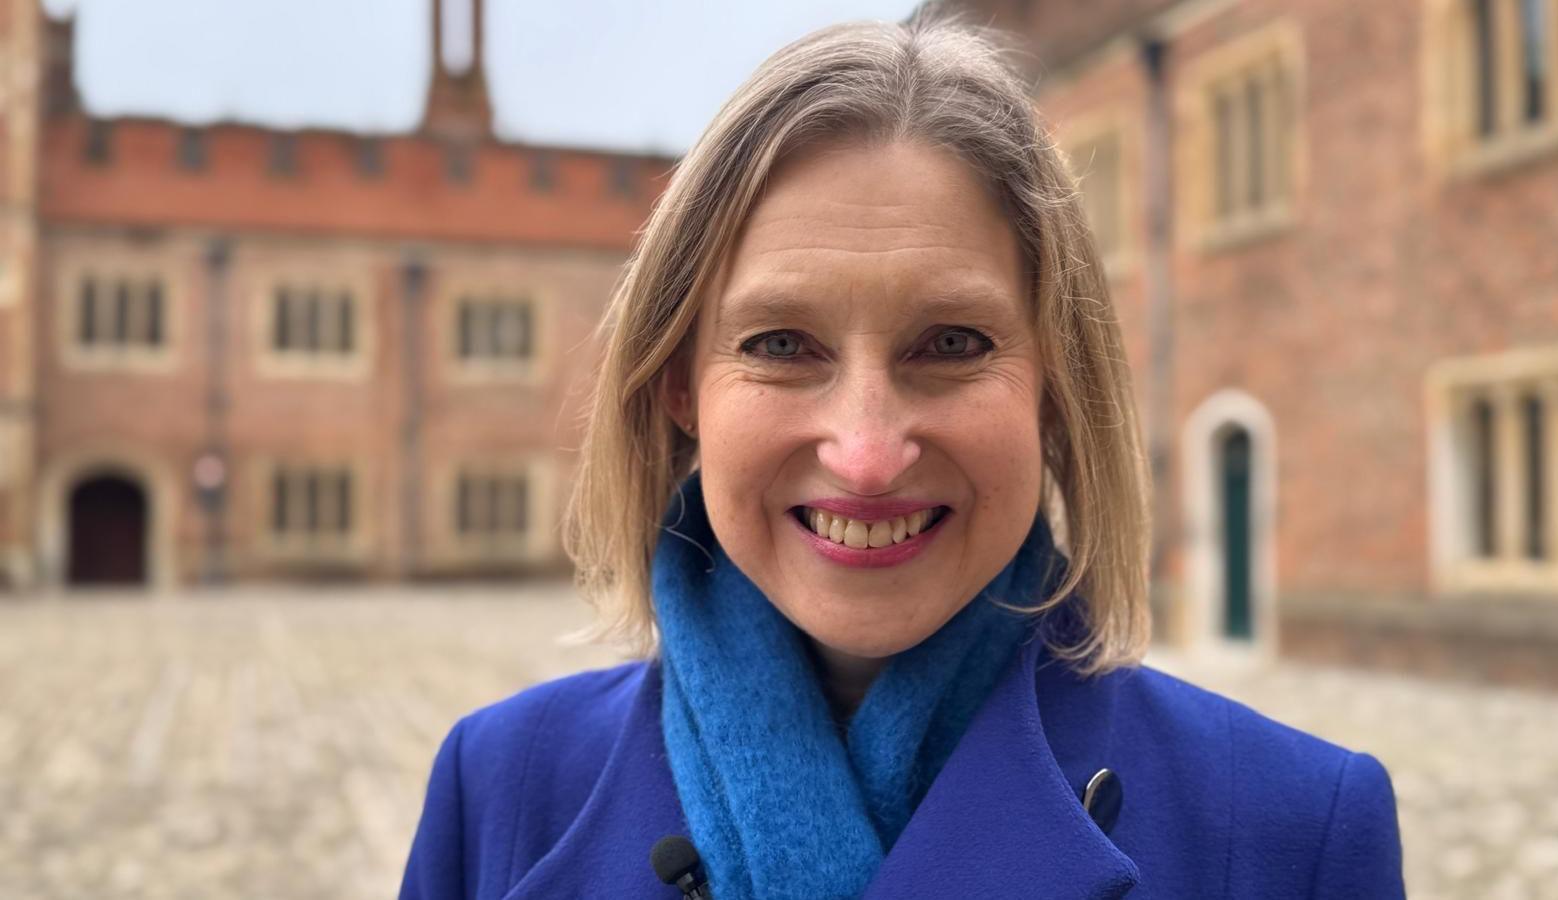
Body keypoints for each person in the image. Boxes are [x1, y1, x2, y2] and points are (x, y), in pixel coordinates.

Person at [399, 9, 1404, 899]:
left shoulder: (1294, 830)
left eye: (952, 345)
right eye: (781, 346)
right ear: (678, 386)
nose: (868, 454)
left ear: (1054, 387)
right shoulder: (499, 787)